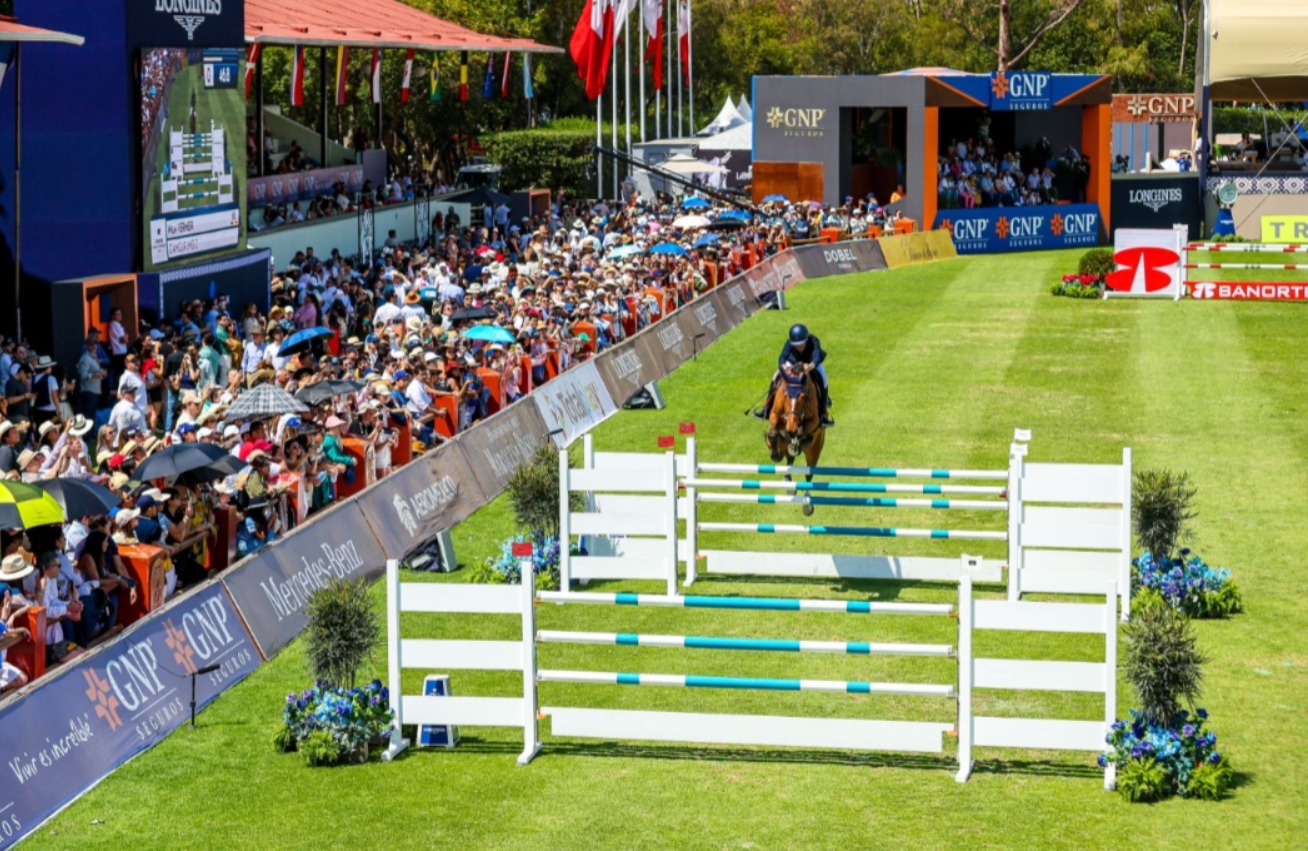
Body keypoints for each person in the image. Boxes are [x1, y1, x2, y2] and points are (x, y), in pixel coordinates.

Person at [757, 323, 833, 427]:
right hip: (793, 362)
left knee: (823, 378)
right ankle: (767, 407)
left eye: (801, 344)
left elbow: (816, 357)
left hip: (811, 362)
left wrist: (810, 366)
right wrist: (783, 367)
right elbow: (782, 357)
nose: (799, 347)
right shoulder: (789, 343)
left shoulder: (814, 341)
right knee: (776, 375)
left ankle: (823, 412)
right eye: (796, 345)